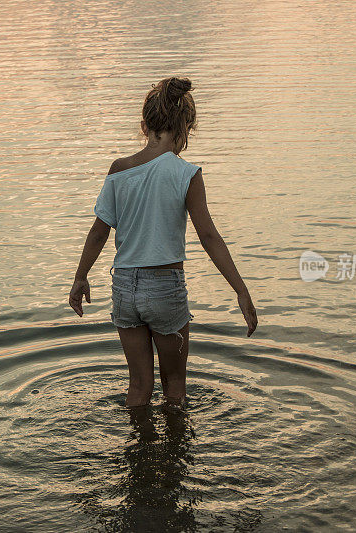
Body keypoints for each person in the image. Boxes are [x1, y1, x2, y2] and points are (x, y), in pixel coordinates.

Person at [69, 76, 258, 410]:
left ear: (144, 125)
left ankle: (135, 456)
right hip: (165, 288)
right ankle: (174, 459)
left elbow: (99, 231)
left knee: (139, 387)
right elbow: (209, 236)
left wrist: (80, 276)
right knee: (175, 390)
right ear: (186, 126)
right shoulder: (186, 173)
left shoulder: (118, 169)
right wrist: (240, 290)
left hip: (124, 287)